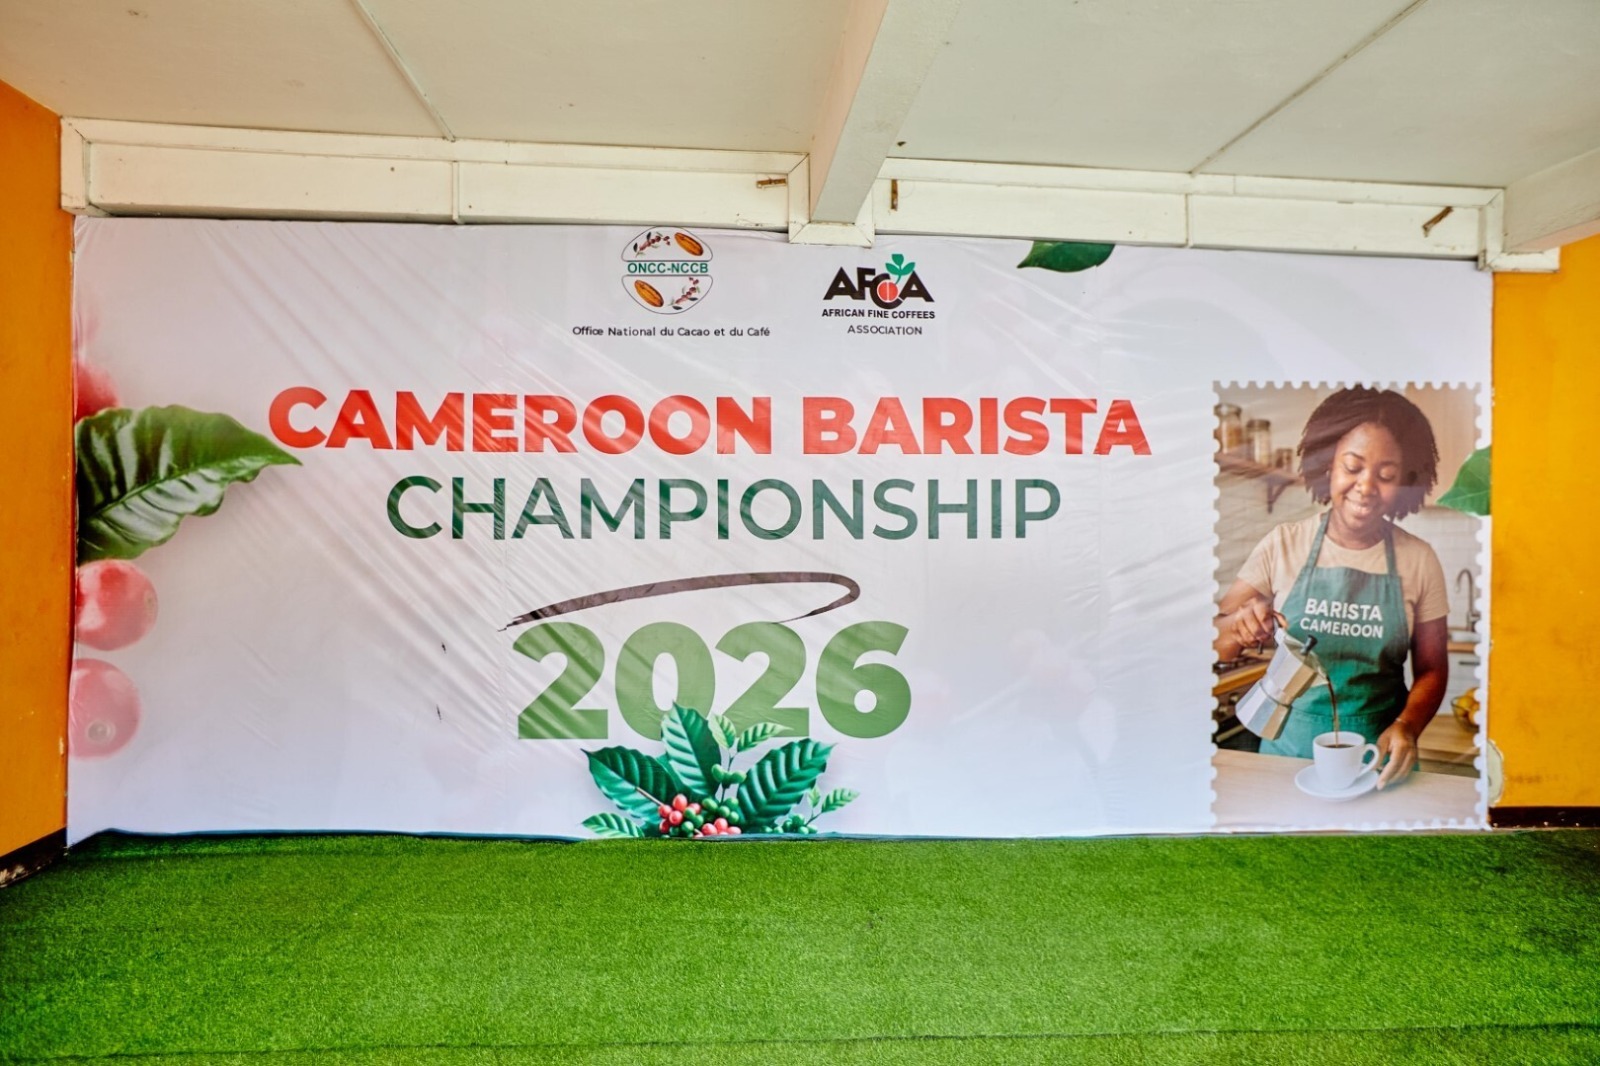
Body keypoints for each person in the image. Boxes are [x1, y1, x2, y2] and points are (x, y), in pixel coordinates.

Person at [1215, 387, 1449, 788]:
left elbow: (1432, 669)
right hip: (1285, 761)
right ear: (1327, 465)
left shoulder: (1419, 559)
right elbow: (1218, 644)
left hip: (1376, 761)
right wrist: (1239, 624)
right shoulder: (1284, 543)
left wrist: (1407, 726)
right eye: (1353, 466)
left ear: (1406, 480)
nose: (1366, 486)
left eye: (1386, 475)